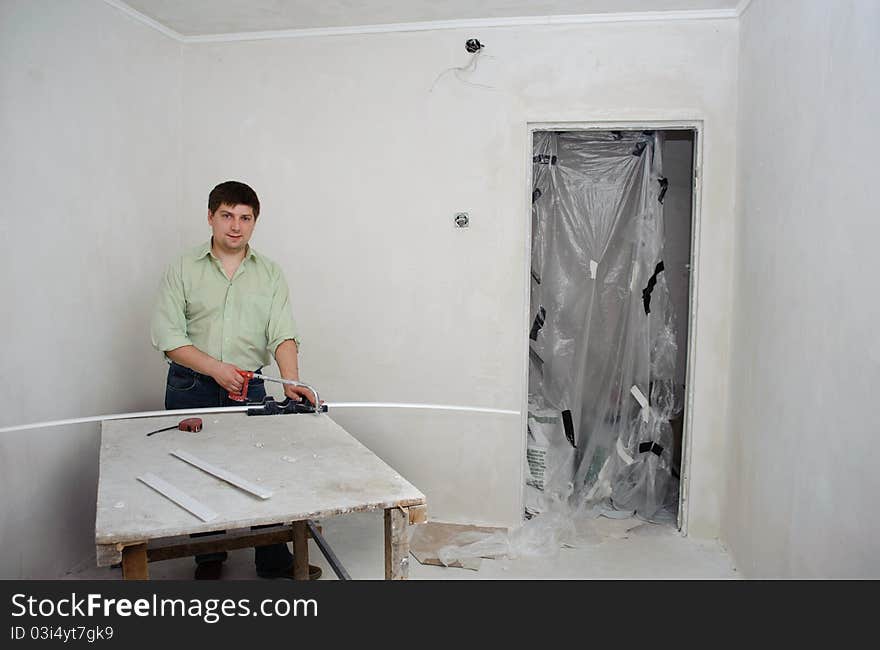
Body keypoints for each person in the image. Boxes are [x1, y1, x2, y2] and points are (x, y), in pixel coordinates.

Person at [150, 180, 321, 581]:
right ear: (210, 217)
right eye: (226, 215)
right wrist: (216, 370)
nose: (235, 226)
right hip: (190, 386)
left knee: (260, 468)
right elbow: (168, 337)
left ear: (254, 222)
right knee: (197, 470)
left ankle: (272, 560)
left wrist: (290, 380)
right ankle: (209, 556)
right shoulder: (182, 268)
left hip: (251, 385)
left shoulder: (270, 274)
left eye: (245, 218)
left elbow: (282, 332)